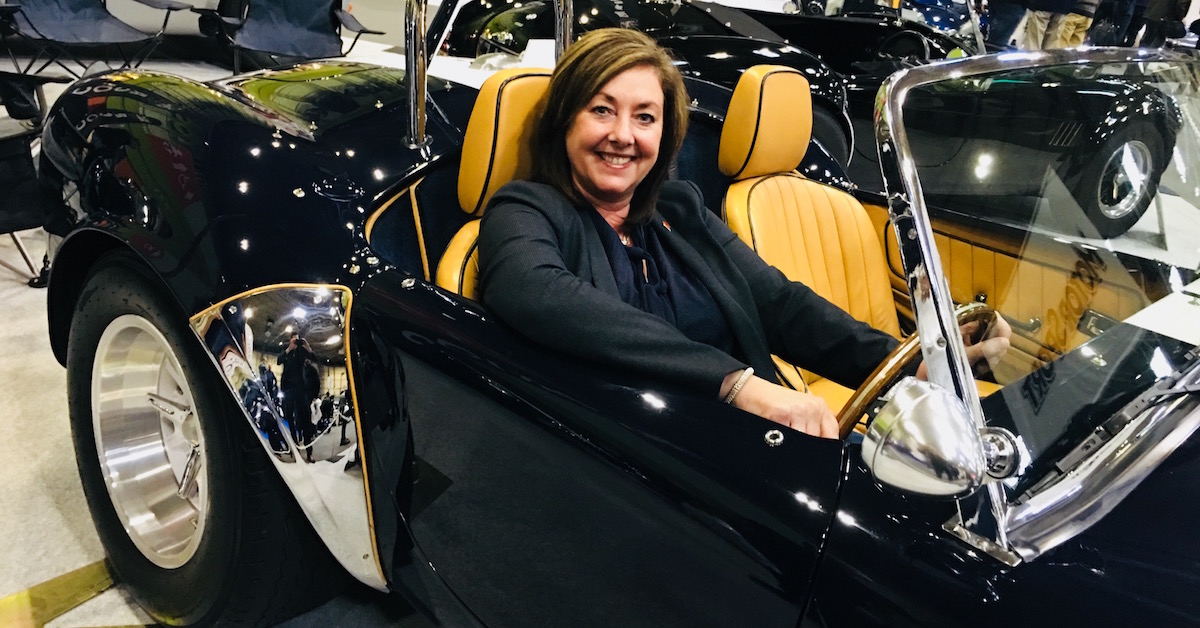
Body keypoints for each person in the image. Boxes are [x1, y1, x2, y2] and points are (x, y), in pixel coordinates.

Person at [476, 28, 1009, 440]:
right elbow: (536, 292)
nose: (623, 135)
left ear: (665, 133)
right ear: (564, 121)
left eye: (645, 117)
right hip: (639, 454)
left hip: (752, 443)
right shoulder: (525, 209)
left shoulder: (678, 209)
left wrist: (910, 360)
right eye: (601, 110)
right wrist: (737, 385)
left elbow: (780, 305)